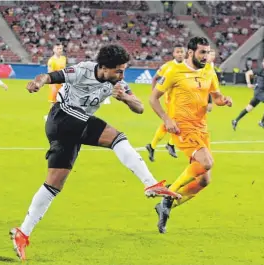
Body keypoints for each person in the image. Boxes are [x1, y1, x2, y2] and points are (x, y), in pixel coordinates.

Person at [10, 44, 180, 261]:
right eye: (118, 70)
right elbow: (50, 76)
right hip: (62, 116)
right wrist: (37, 82)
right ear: (103, 67)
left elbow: (140, 108)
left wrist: (126, 98)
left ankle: (22, 233)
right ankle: (150, 183)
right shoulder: (83, 70)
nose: (122, 74)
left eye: (123, 70)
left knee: (54, 184)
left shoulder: (117, 82)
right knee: (117, 137)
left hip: (71, 129)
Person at [149, 37, 233, 234]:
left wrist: (224, 100)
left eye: (207, 52)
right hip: (182, 126)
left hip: (201, 127)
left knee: (204, 181)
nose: (205, 56)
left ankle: (166, 206)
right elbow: (153, 98)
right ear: (190, 52)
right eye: (202, 52)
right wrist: (166, 119)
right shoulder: (174, 71)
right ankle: (168, 195)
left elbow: (216, 97)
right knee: (207, 162)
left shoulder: (209, 70)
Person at [145, 44, 186, 161]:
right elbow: (155, 78)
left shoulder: (187, 66)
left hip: (183, 100)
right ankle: (162, 145)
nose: (180, 54)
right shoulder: (168, 66)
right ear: (173, 54)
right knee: (172, 122)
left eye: (181, 52)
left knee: (179, 122)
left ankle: (158, 145)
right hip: (171, 99)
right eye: (177, 52)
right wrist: (154, 94)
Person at [232, 57, 264, 130]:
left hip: (261, 92)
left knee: (249, 108)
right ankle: (261, 122)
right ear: (263, 63)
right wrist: (248, 84)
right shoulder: (259, 70)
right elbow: (247, 73)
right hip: (259, 91)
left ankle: (235, 120)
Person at [44, 43, 67, 121]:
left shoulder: (63, 58)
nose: (60, 50)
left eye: (61, 48)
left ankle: (60, 116)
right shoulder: (51, 61)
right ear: (54, 50)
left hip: (63, 83)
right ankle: (48, 116)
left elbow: (64, 70)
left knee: (63, 101)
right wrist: (52, 85)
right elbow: (50, 73)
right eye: (58, 48)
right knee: (53, 101)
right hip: (55, 83)